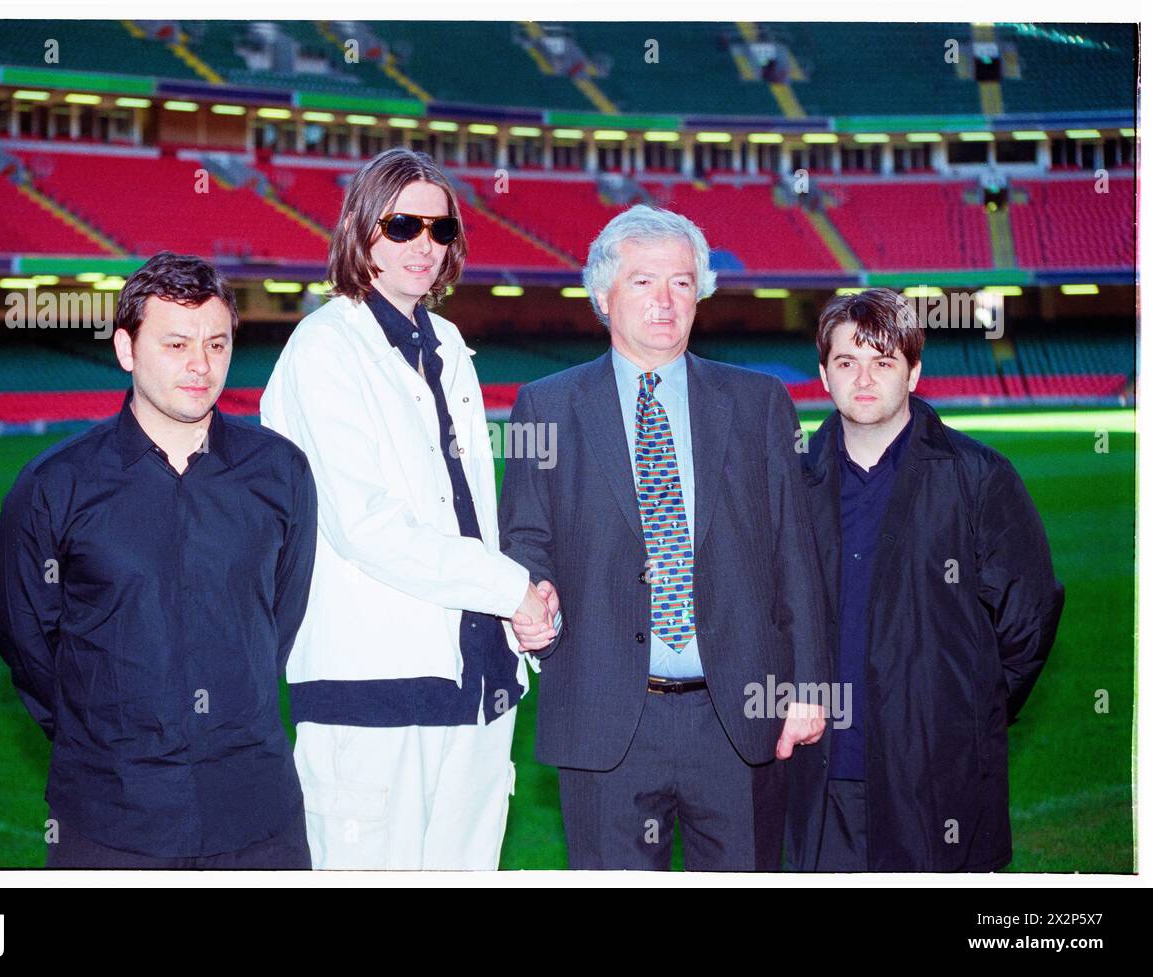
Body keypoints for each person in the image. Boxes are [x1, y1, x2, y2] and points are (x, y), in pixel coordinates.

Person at [498, 205, 831, 870]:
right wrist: (530, 596)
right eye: (645, 282)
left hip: (738, 716)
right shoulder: (546, 406)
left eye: (682, 283)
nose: (666, 301)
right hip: (604, 719)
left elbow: (796, 556)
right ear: (604, 294)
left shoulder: (759, 403)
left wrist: (810, 688)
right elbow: (527, 539)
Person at [259, 147, 557, 871]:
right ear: (363, 230)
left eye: (441, 229)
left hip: (477, 684)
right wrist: (512, 588)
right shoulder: (324, 347)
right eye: (403, 226)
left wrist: (519, 613)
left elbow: (469, 514)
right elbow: (366, 526)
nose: (425, 245)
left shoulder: (447, 342)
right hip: (372, 688)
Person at [0, 251, 317, 869]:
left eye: (216, 343)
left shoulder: (280, 472)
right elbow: (28, 641)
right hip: (110, 820)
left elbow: (278, 621)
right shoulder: (53, 487)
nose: (200, 365)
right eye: (175, 343)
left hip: (256, 816)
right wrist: (102, 738)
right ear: (126, 349)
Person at [785, 288, 1064, 872]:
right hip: (820, 777)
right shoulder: (790, 485)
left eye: (883, 361)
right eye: (847, 362)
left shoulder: (977, 478)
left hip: (936, 782)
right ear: (823, 375)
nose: (864, 379)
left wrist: (961, 711)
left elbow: (1028, 619)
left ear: (913, 372)